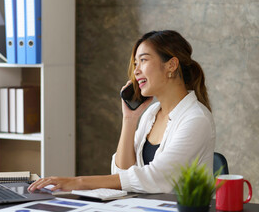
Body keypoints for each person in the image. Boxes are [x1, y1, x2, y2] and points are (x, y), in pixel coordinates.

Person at [28, 30, 215, 193]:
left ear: (171, 65)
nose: (136, 72)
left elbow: (157, 178)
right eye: (135, 64)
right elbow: (122, 174)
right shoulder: (151, 114)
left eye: (143, 60)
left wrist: (78, 182)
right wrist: (129, 119)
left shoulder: (196, 119)